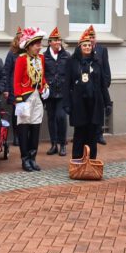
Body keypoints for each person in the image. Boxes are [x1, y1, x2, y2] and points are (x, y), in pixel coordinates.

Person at [66, 28, 106, 162]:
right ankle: (77, 161)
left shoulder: (97, 62)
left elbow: (102, 84)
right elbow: (67, 84)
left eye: (89, 45)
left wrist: (107, 102)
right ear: (80, 47)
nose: (87, 47)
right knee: (79, 133)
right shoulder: (72, 62)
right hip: (79, 103)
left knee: (92, 133)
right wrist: (67, 104)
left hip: (94, 103)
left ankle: (91, 161)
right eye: (85, 45)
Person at [13, 27, 49, 171]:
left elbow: (42, 76)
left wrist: (45, 86)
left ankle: (33, 158)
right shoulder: (21, 60)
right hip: (25, 97)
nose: (39, 47)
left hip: (37, 96)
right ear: (29, 46)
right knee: (24, 128)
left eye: (40, 44)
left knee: (35, 127)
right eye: (36, 44)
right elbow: (16, 81)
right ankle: (25, 159)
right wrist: (19, 99)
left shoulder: (41, 58)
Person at [42, 28, 69, 156]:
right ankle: (53, 144)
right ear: (50, 42)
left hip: (63, 92)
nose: (58, 42)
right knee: (51, 118)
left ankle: (62, 143)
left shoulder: (66, 55)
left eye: (59, 40)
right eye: (55, 40)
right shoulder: (44, 56)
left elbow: (70, 74)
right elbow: (42, 73)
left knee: (61, 117)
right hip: (50, 92)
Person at [85, 26, 112, 145]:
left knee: (99, 110)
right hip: (87, 86)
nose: (91, 39)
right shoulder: (83, 48)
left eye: (93, 37)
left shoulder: (102, 49)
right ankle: (87, 134)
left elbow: (106, 66)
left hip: (100, 86)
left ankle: (99, 134)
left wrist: (106, 82)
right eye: (90, 37)